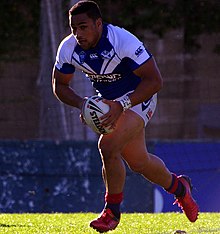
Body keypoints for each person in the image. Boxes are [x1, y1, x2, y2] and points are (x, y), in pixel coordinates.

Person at [52, 0, 199, 232]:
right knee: (139, 162)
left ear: (98, 24)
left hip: (140, 97)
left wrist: (122, 104)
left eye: (83, 27)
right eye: (73, 28)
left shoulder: (123, 41)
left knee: (108, 146)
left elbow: (155, 81)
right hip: (112, 104)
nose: (78, 34)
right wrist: (82, 104)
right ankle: (181, 188)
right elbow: (59, 85)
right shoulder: (69, 48)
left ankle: (111, 212)